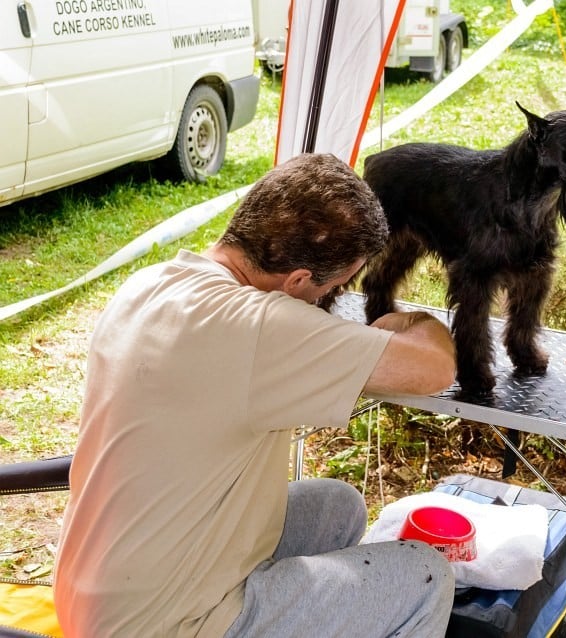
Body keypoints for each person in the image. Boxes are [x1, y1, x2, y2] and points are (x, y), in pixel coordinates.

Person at [53, 153, 458, 637]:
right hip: (167, 623)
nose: (328, 302)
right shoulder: (261, 327)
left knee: (337, 506)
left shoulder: (152, 283)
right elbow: (433, 367)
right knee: (425, 574)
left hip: (98, 594)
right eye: (333, 288)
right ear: (298, 281)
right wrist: (407, 322)